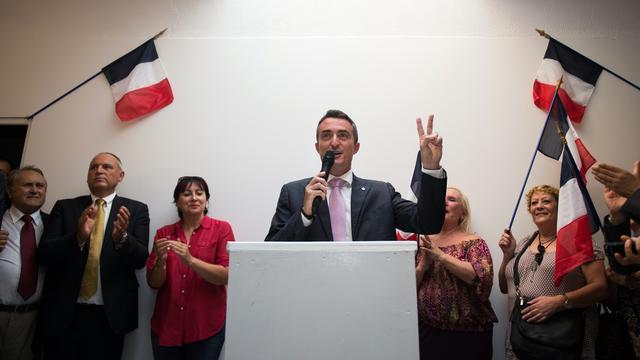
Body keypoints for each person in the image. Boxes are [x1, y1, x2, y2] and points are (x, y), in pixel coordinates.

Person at [265, 109, 446, 241]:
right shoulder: (294, 193)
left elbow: (428, 223)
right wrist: (304, 215)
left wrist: (430, 167)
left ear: (356, 147)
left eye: (343, 135)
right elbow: (271, 252)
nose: (334, 143)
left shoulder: (381, 193)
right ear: (317, 146)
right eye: (326, 136)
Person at [37, 152, 150, 360]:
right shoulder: (65, 207)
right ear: (87, 176)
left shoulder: (136, 210)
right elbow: (44, 255)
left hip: (111, 316)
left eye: (106, 167)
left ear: (120, 176)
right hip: (64, 313)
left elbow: (141, 260)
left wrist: (122, 238)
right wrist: (78, 237)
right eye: (93, 167)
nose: (98, 170)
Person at [498, 185, 608, 359]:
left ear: (560, 207)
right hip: (520, 336)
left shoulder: (579, 242)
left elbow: (601, 288)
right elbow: (505, 288)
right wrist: (507, 256)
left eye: (546, 201)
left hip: (562, 340)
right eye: (534, 203)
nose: (539, 206)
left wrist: (560, 302)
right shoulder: (523, 243)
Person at [147, 176, 233, 360]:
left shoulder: (222, 229)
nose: (194, 198)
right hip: (166, 325)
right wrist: (161, 262)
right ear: (177, 202)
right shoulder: (164, 233)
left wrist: (190, 260)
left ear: (206, 199)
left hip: (206, 327)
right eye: (187, 194)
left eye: (199, 193)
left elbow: (226, 275)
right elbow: (153, 284)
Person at [415, 187, 496, 360]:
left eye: (451, 199)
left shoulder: (474, 242)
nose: (444, 202)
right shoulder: (424, 241)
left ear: (463, 213)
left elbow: (481, 278)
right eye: (441, 199)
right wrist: (422, 266)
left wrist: (441, 256)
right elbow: (408, 287)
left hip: (468, 336)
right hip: (428, 332)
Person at [0, 166, 47, 360]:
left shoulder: (55, 224)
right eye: (28, 185)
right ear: (10, 191)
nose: (35, 190)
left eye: (40, 186)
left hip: (31, 319)